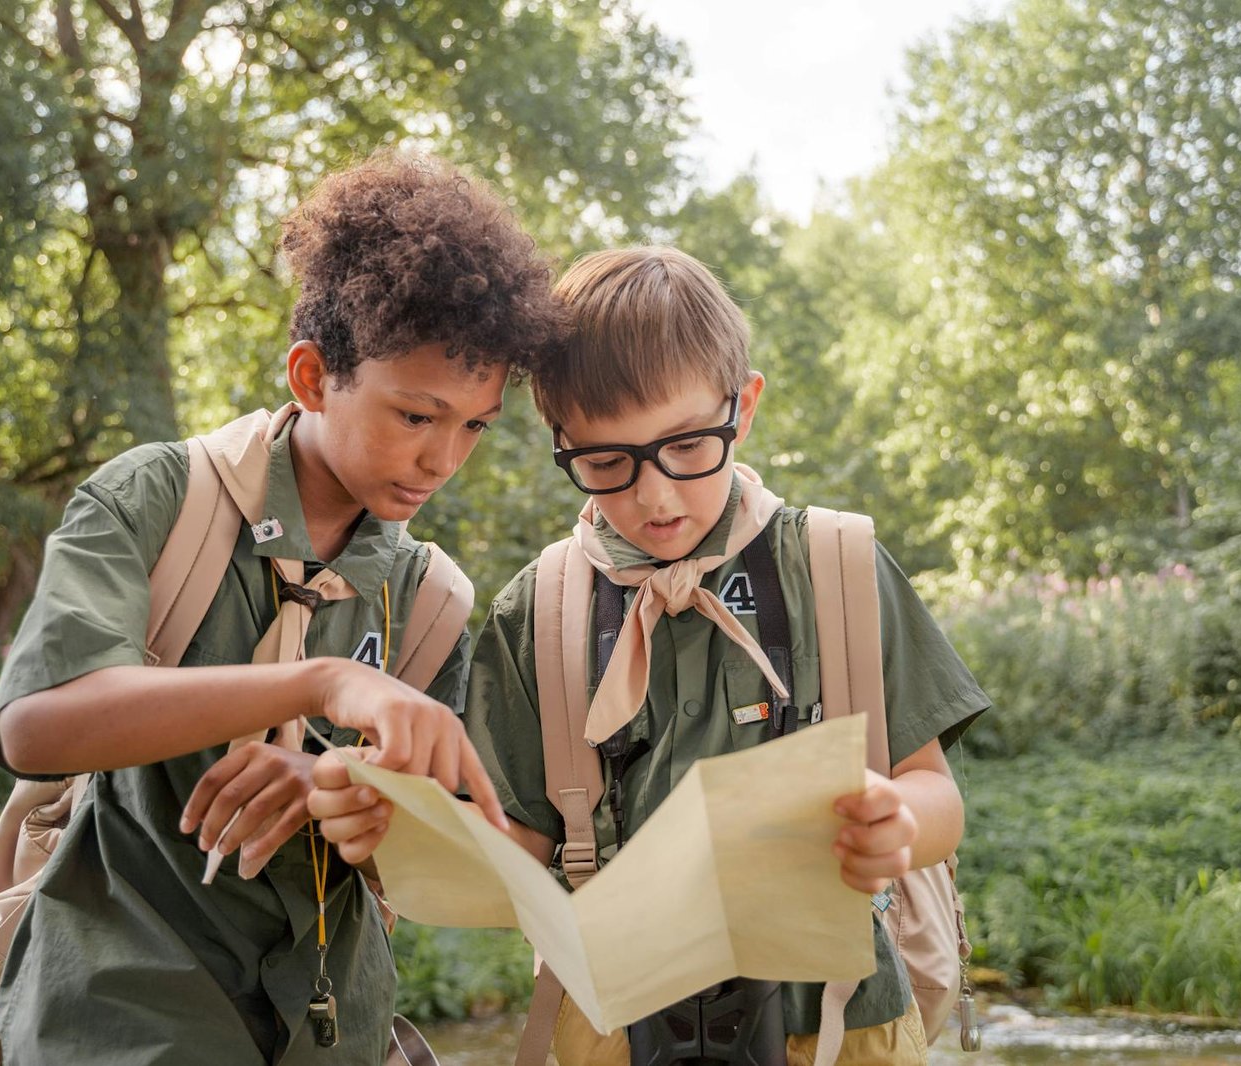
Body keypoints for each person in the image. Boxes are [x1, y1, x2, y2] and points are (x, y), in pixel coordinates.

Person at [312, 246, 990, 1066]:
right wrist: (403, 828)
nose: (655, 495)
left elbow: (936, 798)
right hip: (611, 1029)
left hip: (839, 1024)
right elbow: (520, 847)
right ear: (560, 443)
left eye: (687, 446)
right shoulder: (540, 610)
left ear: (743, 410)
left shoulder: (835, 566)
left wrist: (898, 821)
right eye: (605, 463)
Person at [0, 154, 564, 1066]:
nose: (445, 459)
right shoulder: (153, 499)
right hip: (121, 1010)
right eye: (415, 415)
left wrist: (346, 794)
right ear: (310, 376)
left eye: (476, 425)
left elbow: (435, 845)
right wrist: (323, 681)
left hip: (337, 1028)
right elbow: (34, 729)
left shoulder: (431, 599)